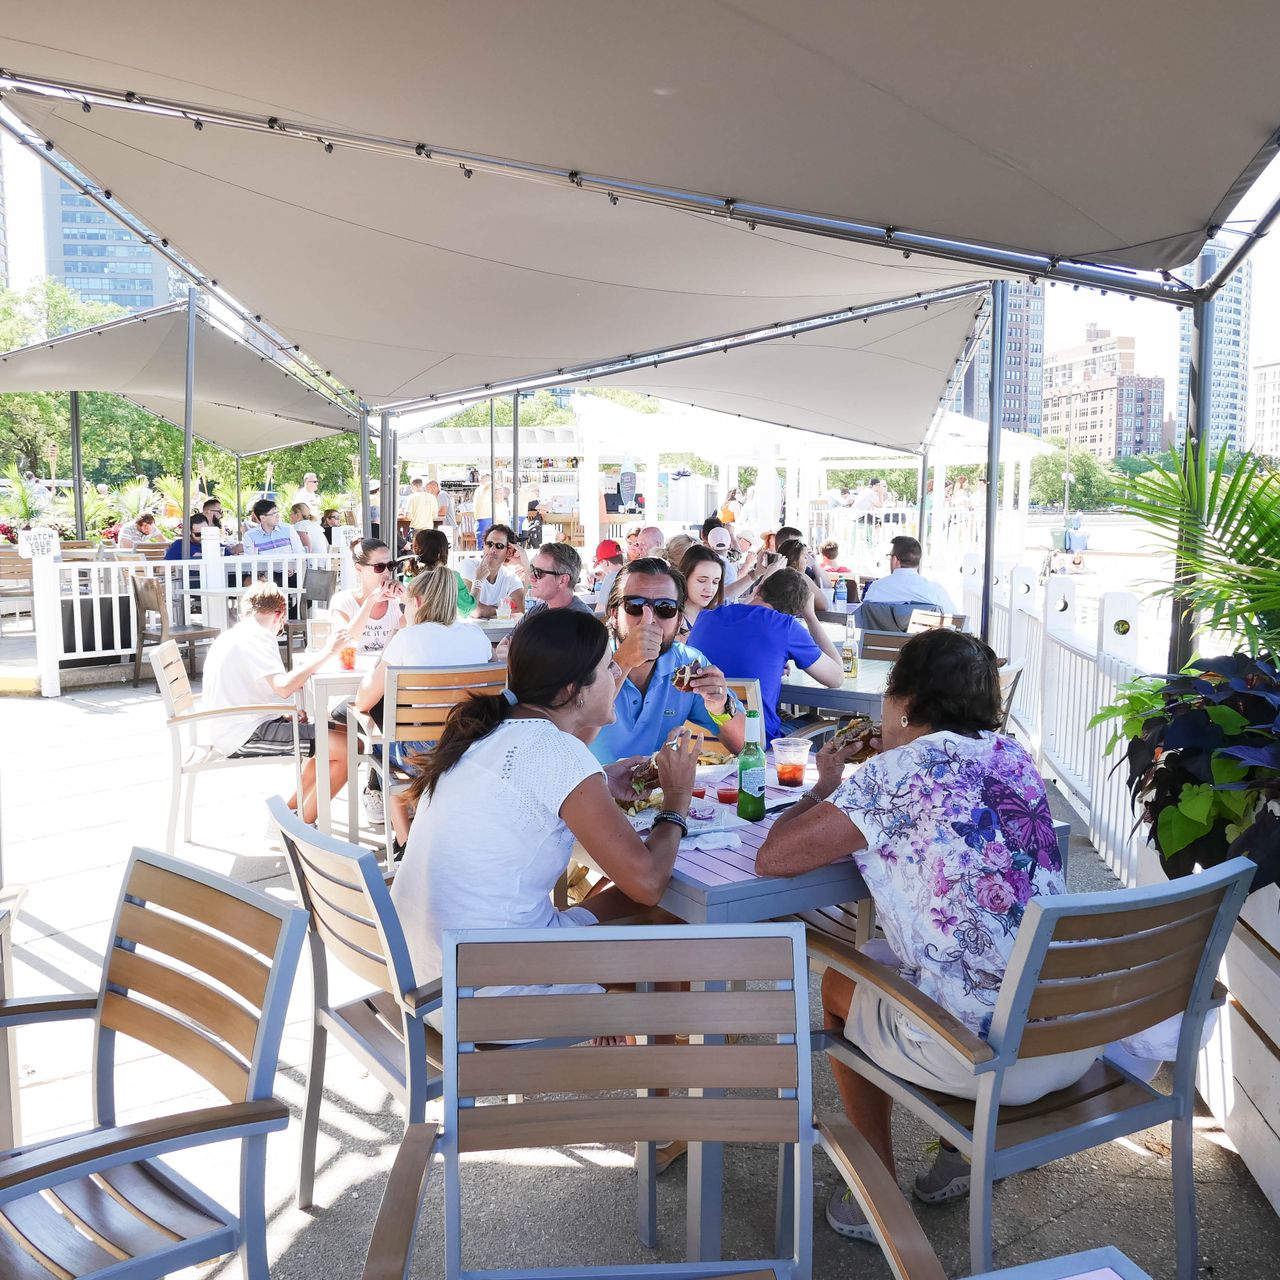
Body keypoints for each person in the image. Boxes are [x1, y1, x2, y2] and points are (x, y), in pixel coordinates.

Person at [754, 629, 1085, 1243]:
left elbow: (773, 859)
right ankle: (955, 1158)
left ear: (902, 702)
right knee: (932, 956)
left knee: (837, 979)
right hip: (1073, 1037)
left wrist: (827, 788)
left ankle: (874, 1178)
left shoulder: (891, 774)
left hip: (991, 1060)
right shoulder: (1010, 756)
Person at [392, 608, 699, 1013]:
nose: (616, 679)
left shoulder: (489, 732)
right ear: (575, 690)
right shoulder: (555, 750)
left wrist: (601, 778)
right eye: (610, 668)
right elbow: (647, 883)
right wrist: (678, 797)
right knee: (676, 915)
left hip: (430, 981)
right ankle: (671, 1059)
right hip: (491, 998)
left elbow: (531, 787)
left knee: (634, 898)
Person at [326, 564, 493, 850]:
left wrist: (393, 640)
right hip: (474, 750)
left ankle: (405, 841)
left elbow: (364, 699)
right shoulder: (476, 636)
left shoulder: (407, 638)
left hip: (425, 755)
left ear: (416, 603)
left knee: (380, 743)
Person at [198, 582, 351, 824]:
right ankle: (298, 827)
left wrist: (282, 715)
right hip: (242, 735)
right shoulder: (258, 637)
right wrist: (329, 652)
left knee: (342, 733)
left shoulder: (235, 634)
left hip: (234, 725)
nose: (282, 628)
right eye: (283, 624)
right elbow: (283, 687)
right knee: (350, 748)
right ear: (280, 614)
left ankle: (287, 815)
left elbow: (254, 689)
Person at [590, 557, 745, 764]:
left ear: (679, 619)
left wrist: (720, 707)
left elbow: (749, 745)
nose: (650, 618)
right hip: (587, 791)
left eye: (665, 608)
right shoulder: (584, 658)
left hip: (655, 794)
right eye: (635, 606)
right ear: (613, 613)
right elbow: (569, 739)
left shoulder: (687, 664)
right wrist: (623, 663)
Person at [689, 568, 842, 743]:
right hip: (755, 743)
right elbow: (836, 678)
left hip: (698, 740)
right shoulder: (785, 626)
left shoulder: (705, 618)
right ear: (795, 611)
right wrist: (811, 616)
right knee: (813, 720)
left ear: (759, 589)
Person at [329, 537, 407, 652]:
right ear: (359, 568)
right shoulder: (342, 600)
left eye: (390, 565)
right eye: (379, 567)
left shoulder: (397, 602)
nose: (387, 571)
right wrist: (370, 601)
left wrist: (406, 598)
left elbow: (417, 632)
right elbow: (346, 641)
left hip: (386, 669)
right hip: (353, 669)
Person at [859, 535, 957, 614]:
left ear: (894, 560)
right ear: (918, 561)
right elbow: (958, 623)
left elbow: (862, 621)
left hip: (879, 639)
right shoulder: (935, 592)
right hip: (922, 638)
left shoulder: (876, 589)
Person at [461, 524, 526, 617]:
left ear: (509, 552)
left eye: (499, 546)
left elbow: (520, 611)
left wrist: (526, 567)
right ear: (484, 546)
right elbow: (472, 609)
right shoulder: (468, 566)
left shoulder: (510, 577)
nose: (492, 549)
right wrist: (502, 610)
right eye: (489, 544)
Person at [409, 527, 476, 615]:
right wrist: (479, 581)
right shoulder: (452, 578)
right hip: (444, 627)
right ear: (441, 552)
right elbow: (467, 608)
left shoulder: (410, 576)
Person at [523, 543, 595, 619]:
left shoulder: (581, 621)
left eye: (539, 572)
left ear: (563, 580)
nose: (531, 578)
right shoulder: (534, 612)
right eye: (533, 569)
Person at [677, 544, 724, 632]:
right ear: (685, 578)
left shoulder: (719, 617)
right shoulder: (670, 620)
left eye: (715, 582)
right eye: (702, 580)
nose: (710, 589)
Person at [777, 538, 832, 611]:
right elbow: (823, 605)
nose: (807, 561)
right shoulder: (800, 576)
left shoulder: (774, 575)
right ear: (794, 561)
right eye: (805, 557)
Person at [701, 519, 739, 586]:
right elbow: (737, 553)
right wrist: (731, 534)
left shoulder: (696, 553)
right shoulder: (727, 560)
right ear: (729, 546)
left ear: (702, 534)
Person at [591, 539, 625, 612]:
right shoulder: (632, 572)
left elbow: (599, 612)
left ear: (605, 562)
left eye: (600, 563)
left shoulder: (610, 578)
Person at [472, 474, 494, 538]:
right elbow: (486, 487)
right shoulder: (480, 489)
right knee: (482, 542)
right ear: (481, 480)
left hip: (487, 519)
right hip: (483, 520)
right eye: (487, 480)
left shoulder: (487, 491)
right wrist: (493, 481)